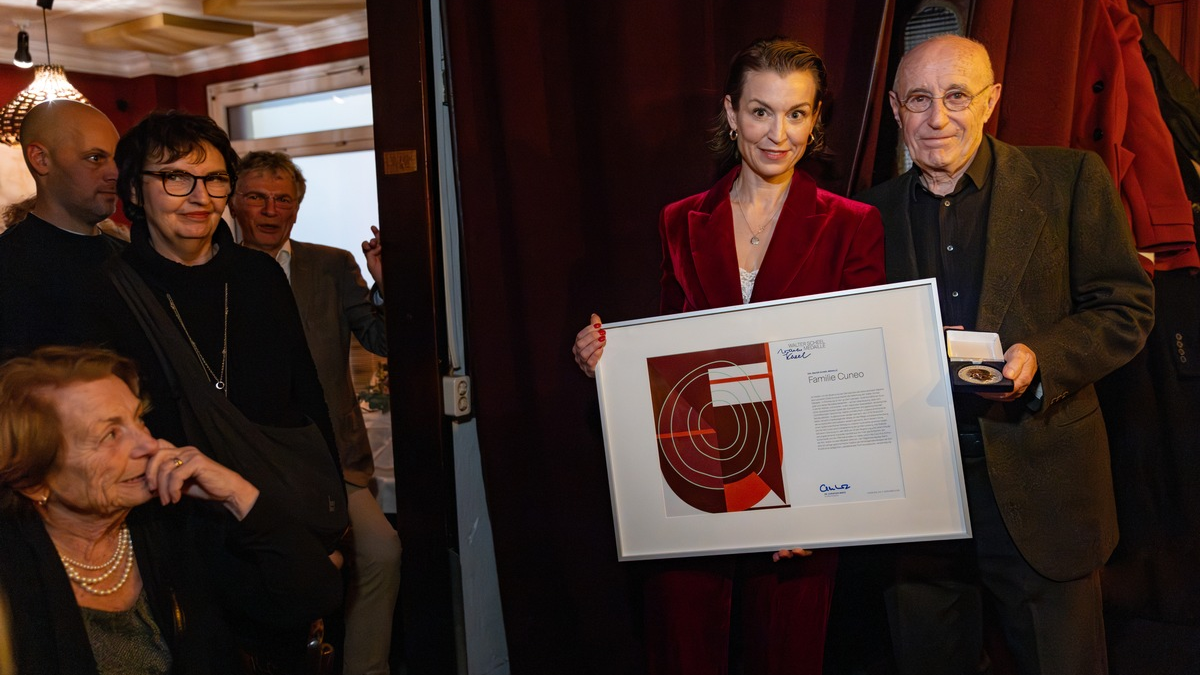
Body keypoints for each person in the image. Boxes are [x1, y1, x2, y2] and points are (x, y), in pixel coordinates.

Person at [573, 38, 885, 674]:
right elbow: (671, 356)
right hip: (696, 476)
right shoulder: (680, 219)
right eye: (761, 111)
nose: (778, 133)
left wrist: (823, 507)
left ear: (817, 119)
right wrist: (605, 360)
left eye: (797, 114)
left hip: (802, 492)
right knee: (685, 650)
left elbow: (857, 371)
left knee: (786, 656)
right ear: (731, 112)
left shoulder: (854, 224)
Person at [854, 35, 1154, 674]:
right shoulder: (864, 216)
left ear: (991, 101)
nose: (937, 118)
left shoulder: (1070, 180)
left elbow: (1126, 307)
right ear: (893, 107)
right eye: (918, 99)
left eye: (957, 95)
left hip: (1044, 486)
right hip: (916, 507)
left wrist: (1044, 358)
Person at [108, 110, 349, 669]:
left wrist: (329, 523)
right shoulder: (111, 290)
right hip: (177, 531)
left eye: (215, 179)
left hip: (274, 517)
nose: (199, 196)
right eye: (175, 177)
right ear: (135, 193)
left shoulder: (258, 275)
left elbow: (307, 397)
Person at [0, 346, 342, 674]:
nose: (148, 445)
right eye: (110, 435)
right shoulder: (13, 570)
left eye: (139, 419)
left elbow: (313, 596)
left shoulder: (177, 522)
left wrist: (238, 494)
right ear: (35, 482)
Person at [231, 150, 401, 675]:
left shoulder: (330, 265)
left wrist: (384, 282)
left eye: (282, 199)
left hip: (336, 460)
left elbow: (382, 340)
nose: (269, 209)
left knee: (382, 553)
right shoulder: (212, 271)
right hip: (250, 462)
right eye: (256, 196)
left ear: (297, 210)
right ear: (234, 203)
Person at [0, 101, 122, 359]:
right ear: (41, 159)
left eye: (117, 159)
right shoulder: (8, 264)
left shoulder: (132, 259)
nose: (114, 173)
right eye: (95, 158)